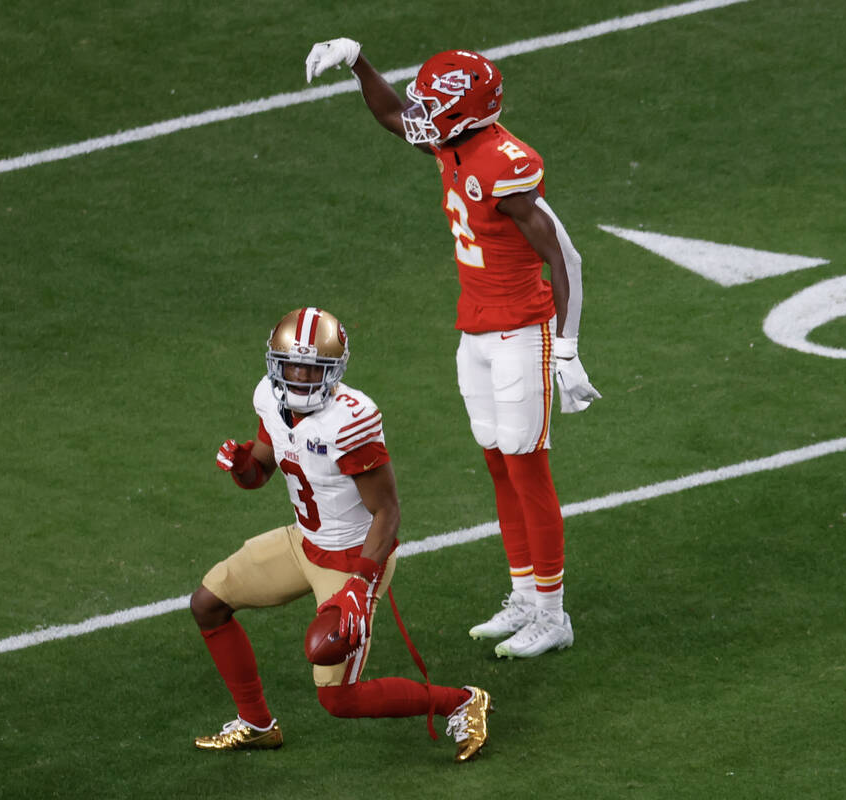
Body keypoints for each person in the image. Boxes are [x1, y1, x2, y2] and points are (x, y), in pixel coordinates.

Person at [305, 41, 601, 658]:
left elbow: (563, 255)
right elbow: (394, 116)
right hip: (475, 330)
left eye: (437, 103)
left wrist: (567, 350)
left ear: (468, 111)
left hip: (522, 330)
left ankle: (553, 613)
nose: (423, 112)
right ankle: (524, 595)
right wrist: (358, 60)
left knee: (528, 468)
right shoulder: (455, 142)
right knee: (497, 462)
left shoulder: (503, 165)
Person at [190, 306, 492, 762]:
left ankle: (464, 702)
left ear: (333, 371)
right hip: (304, 541)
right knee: (208, 604)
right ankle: (256, 724)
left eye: (313, 368)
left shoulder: (350, 421)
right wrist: (242, 466)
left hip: (354, 557)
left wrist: (360, 583)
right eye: (291, 365)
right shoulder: (270, 400)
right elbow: (262, 469)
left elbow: (387, 512)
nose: (300, 376)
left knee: (338, 699)